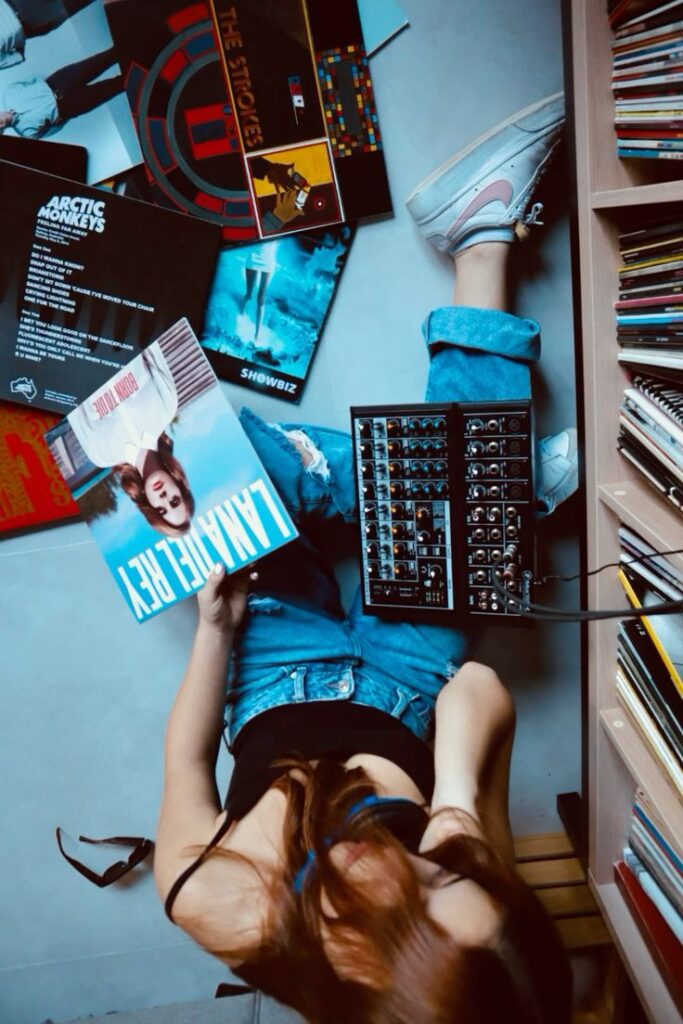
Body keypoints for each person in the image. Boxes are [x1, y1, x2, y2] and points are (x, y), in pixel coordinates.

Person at [154, 93, 577, 1022]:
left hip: (269, 667)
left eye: (406, 919)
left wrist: (214, 633)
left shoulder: (222, 908)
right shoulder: (472, 886)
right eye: (444, 880)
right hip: (408, 679)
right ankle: (480, 240)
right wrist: (457, 805)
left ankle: (486, 490)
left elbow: (187, 766)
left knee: (185, 458)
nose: (414, 870)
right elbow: (477, 694)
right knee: (469, 526)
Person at [68, 346, 195, 537]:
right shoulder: (167, 406)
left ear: (149, 506)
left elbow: (67, 394)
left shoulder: (102, 454)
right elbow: (149, 340)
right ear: (179, 485)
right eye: (175, 500)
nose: (164, 498)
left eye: (161, 509)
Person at [0, 46, 122, 139]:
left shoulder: (9, 93)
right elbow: (55, 129)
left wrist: (47, 85)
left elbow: (33, 78)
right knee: (115, 87)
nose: (0, 124)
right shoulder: (27, 134)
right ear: (2, 132)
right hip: (71, 106)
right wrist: (62, 115)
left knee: (107, 57)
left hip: (60, 81)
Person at [0, 0, 94, 69]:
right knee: (74, 3)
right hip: (30, 21)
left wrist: (17, 40)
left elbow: (17, 57)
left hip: (28, 21)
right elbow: (17, 57)